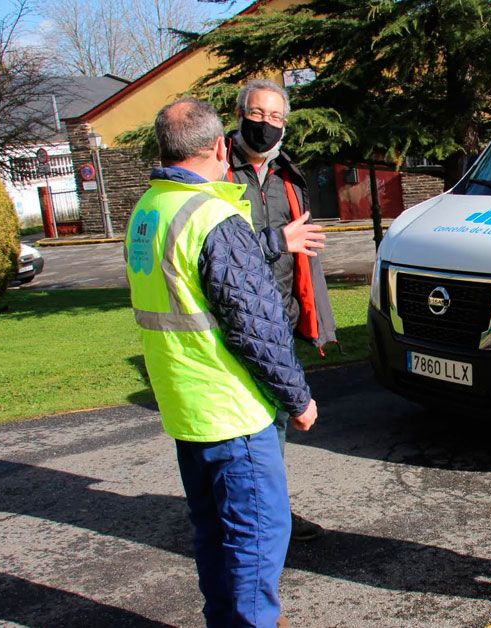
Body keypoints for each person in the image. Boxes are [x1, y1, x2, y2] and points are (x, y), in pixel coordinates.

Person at [125, 97, 319, 627]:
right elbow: (254, 324)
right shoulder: (212, 215)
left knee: (213, 536)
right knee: (256, 538)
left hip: (186, 408)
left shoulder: (148, 209)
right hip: (232, 409)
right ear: (218, 145)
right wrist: (298, 398)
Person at [227, 78, 337, 542]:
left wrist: (314, 317)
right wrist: (279, 241)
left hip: (280, 319)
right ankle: (258, 523)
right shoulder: (218, 172)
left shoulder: (288, 174)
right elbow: (215, 254)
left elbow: (302, 256)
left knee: (273, 423)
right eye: (257, 114)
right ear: (238, 116)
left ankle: (271, 515)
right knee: (245, 428)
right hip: (234, 321)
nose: (266, 125)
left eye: (276, 117)